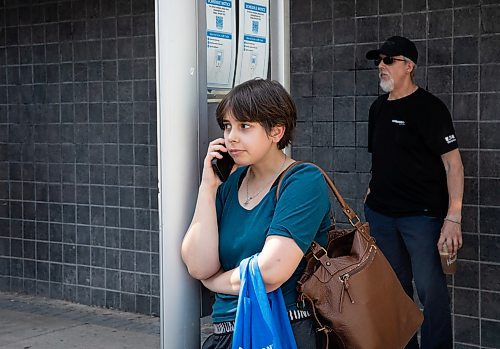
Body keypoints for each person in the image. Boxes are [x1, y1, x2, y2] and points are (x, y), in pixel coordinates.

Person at [181, 79, 331, 348]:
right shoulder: (229, 185)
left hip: (281, 329)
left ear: (276, 131)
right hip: (226, 333)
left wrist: (215, 282)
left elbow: (271, 271)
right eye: (227, 126)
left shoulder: (303, 181)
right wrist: (208, 186)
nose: (231, 137)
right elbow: (197, 264)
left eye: (245, 126)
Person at [364, 36, 464, 349]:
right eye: (379, 60)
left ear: (409, 66)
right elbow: (380, 158)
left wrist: (454, 217)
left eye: (389, 60)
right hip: (382, 217)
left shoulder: (430, 108)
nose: (381, 66)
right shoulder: (377, 108)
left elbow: (454, 166)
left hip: (422, 219)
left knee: (431, 293)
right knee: (395, 294)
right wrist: (371, 194)